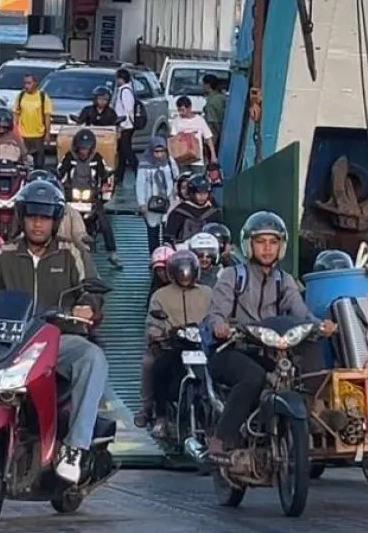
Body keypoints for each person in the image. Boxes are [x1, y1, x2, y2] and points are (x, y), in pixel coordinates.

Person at [0, 181, 106, 483]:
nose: (38, 223)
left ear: (55, 220)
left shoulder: (72, 252)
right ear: (21, 217)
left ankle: (75, 447)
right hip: (9, 339)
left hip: (58, 338)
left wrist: (87, 305)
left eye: (45, 217)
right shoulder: (5, 253)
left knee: (92, 357)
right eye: (32, 216)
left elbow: (91, 287)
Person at [203, 211, 335, 463]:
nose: (267, 248)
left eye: (273, 242)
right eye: (260, 241)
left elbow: (301, 312)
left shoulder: (284, 280)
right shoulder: (232, 276)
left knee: (309, 354)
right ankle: (221, 438)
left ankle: (313, 411)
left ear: (281, 247)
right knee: (253, 377)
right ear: (248, 245)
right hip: (231, 348)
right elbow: (217, 312)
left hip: (270, 348)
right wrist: (219, 325)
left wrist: (320, 326)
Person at [136, 250, 212, 431]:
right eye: (180, 272)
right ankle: (155, 413)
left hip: (203, 346)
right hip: (172, 346)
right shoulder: (160, 296)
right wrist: (157, 334)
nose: (185, 276)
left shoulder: (208, 293)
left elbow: (216, 315)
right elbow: (152, 322)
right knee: (154, 367)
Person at [56, 128, 119, 268]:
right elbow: (60, 171)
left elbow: (104, 173)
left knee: (104, 222)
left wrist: (105, 183)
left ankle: (113, 253)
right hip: (71, 195)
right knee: (59, 219)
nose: (83, 152)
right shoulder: (69, 157)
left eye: (86, 149)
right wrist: (58, 178)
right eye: (81, 148)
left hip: (92, 196)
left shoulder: (97, 159)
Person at [28, 169, 92, 258]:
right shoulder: (29, 213)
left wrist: (83, 241)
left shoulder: (70, 213)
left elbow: (79, 233)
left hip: (65, 255)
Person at [135, 136, 178, 254]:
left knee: (167, 232)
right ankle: (154, 255)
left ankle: (167, 255)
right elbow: (140, 184)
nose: (159, 155)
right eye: (156, 152)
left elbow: (176, 176)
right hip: (151, 203)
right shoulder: (144, 164)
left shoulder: (169, 162)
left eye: (162, 151)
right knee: (153, 232)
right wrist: (141, 203)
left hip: (168, 201)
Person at [163, 174, 222, 245]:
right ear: (191, 193)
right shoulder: (179, 212)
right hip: (184, 249)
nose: (202, 196)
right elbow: (169, 236)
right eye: (199, 193)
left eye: (205, 193)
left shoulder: (213, 212)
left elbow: (220, 233)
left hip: (209, 248)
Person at [14, 72, 54, 169]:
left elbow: (47, 116)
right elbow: (16, 114)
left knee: (39, 164)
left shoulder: (43, 97)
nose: (26, 86)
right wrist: (15, 133)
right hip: (23, 136)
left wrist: (48, 134)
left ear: (35, 83)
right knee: (22, 164)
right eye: (25, 83)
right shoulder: (21, 96)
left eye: (29, 83)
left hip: (38, 136)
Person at [168, 95, 214, 170]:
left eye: (182, 110)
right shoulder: (176, 121)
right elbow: (172, 138)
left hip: (197, 161)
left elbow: (208, 138)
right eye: (179, 110)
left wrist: (213, 156)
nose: (181, 113)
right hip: (182, 159)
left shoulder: (200, 120)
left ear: (189, 108)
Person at [112, 68, 138, 184]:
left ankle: (137, 170)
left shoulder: (125, 91)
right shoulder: (123, 90)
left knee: (126, 150)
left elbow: (128, 110)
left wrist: (122, 125)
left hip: (126, 126)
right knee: (121, 152)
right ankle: (119, 175)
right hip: (123, 125)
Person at [201, 74, 227, 145]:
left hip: (214, 139)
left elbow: (213, 122)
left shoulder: (211, 102)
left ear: (208, 85)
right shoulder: (222, 97)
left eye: (203, 85)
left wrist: (222, 136)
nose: (202, 87)